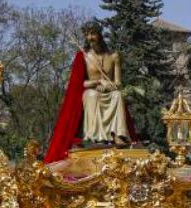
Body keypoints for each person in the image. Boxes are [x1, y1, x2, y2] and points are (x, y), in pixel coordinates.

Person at [44, 21, 135, 163]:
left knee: (117, 95)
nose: (90, 37)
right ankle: (95, 137)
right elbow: (79, 84)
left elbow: (118, 83)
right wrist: (97, 82)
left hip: (109, 91)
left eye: (93, 34)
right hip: (91, 91)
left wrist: (109, 86)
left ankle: (118, 135)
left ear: (99, 35)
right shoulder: (83, 56)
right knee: (92, 95)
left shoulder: (114, 56)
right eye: (87, 34)